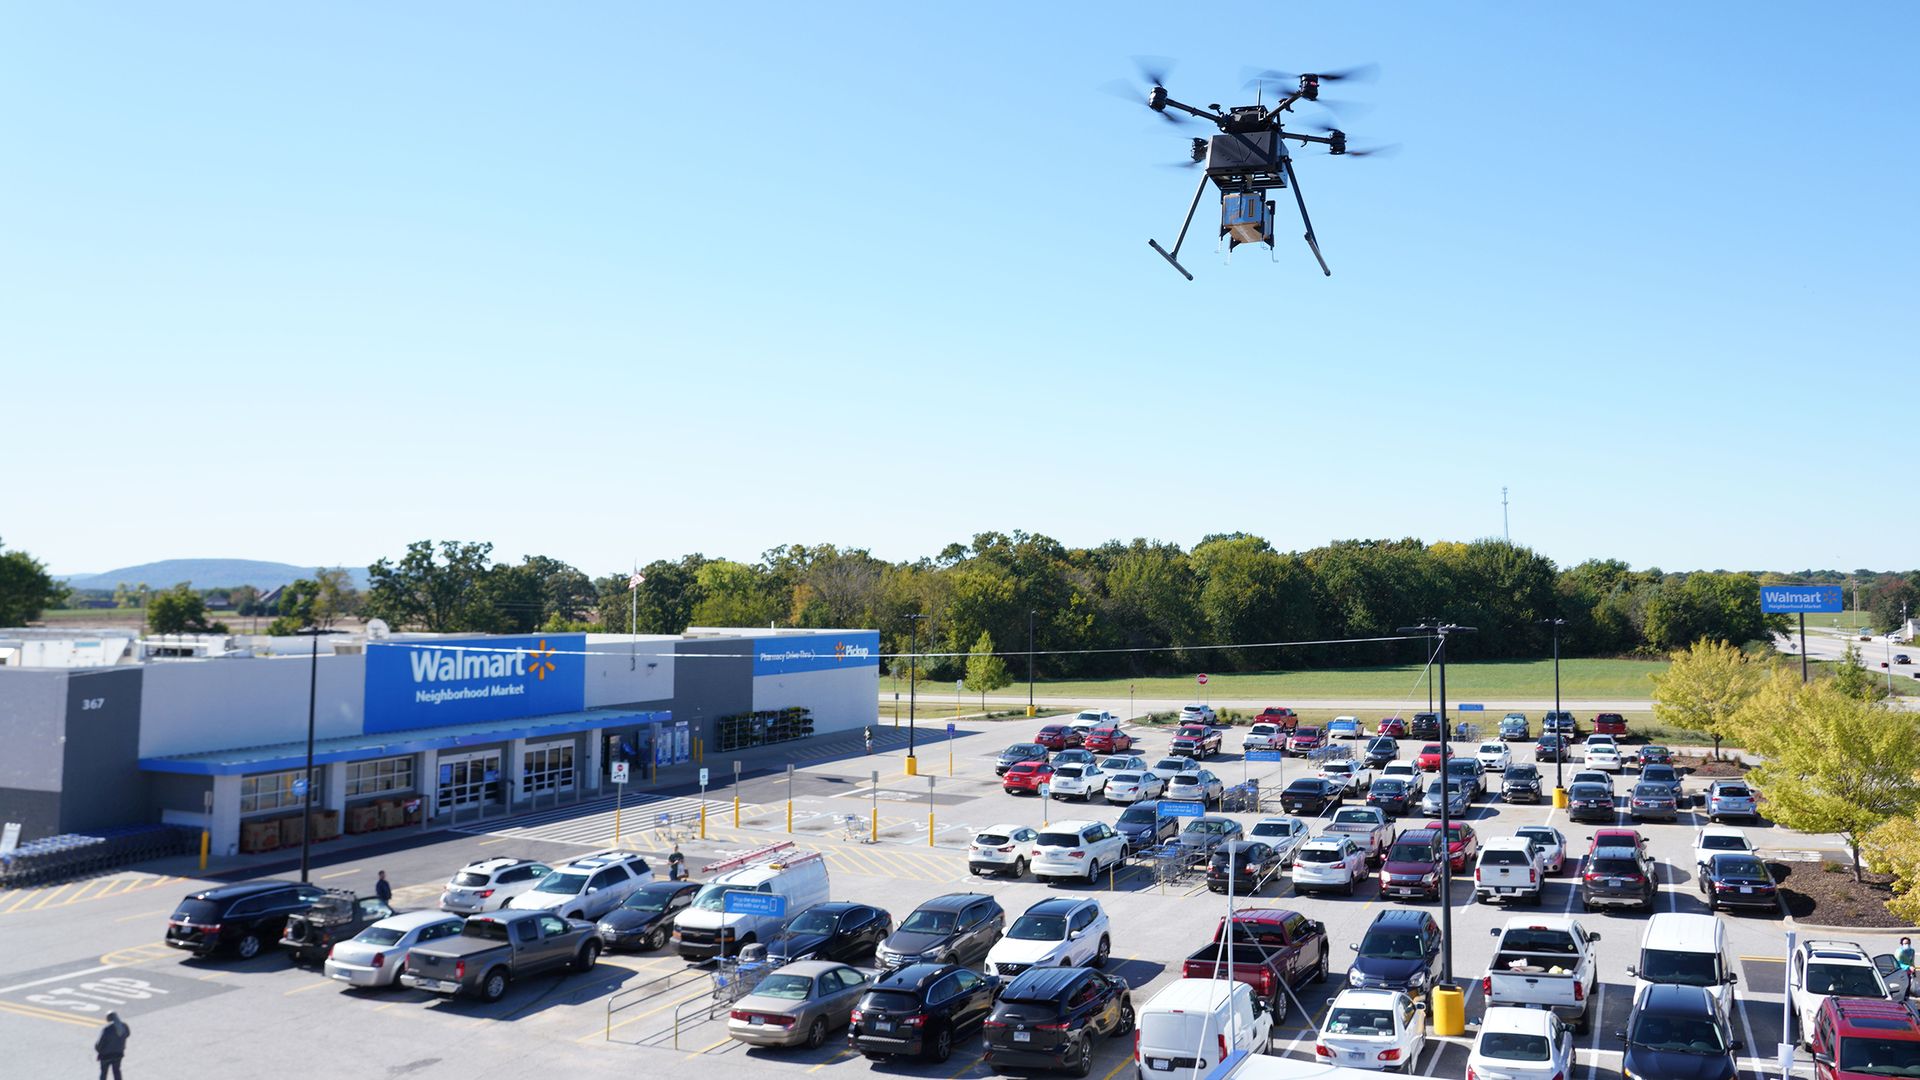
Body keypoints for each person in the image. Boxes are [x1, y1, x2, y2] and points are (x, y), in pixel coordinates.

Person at [95, 1011, 129, 1080]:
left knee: (104, 1073)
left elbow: (101, 1043)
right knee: (117, 1072)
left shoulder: (107, 1029)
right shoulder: (124, 1026)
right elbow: (127, 1034)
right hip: (118, 1054)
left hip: (106, 1056)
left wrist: (97, 1048)